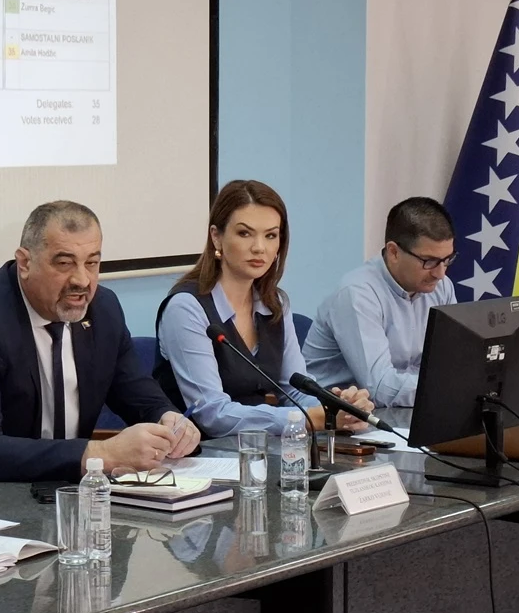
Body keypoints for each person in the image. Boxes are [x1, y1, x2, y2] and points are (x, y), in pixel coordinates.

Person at [0, 201, 200, 492]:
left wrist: (170, 420)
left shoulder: (103, 310)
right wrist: (101, 453)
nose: (82, 280)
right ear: (25, 262)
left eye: (92, 263)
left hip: (57, 488)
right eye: (64, 263)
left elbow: (138, 393)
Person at [154, 180, 374, 438]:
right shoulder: (186, 308)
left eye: (271, 235)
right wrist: (307, 419)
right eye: (244, 233)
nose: (259, 247)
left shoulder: (275, 303)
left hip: (259, 448)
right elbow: (212, 415)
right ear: (216, 237)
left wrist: (337, 409)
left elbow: (295, 390)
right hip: (199, 453)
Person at [303, 196, 458, 407]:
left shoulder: (442, 287)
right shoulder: (357, 294)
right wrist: (450, 388)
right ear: (394, 252)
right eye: (429, 261)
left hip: (401, 410)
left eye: (447, 260)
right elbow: (381, 388)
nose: (440, 273)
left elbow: (448, 364)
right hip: (333, 415)